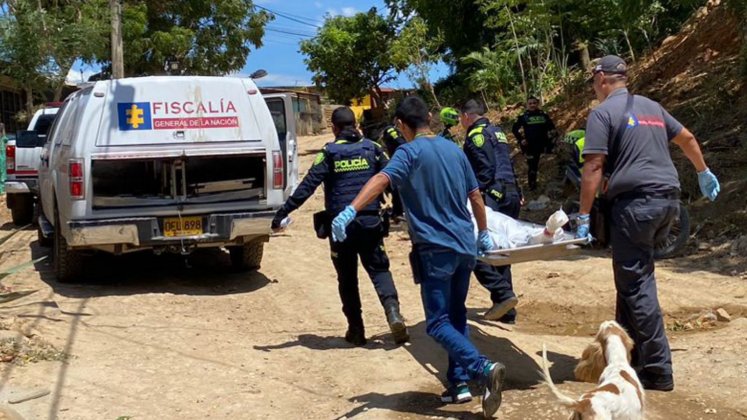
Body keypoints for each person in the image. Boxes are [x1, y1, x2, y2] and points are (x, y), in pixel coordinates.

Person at [330, 96, 506, 417]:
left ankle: (483, 367)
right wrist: (482, 232)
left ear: (400, 124)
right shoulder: (454, 149)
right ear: (429, 117)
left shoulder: (408, 152)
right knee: (456, 315)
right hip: (465, 246)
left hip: (434, 249)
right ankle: (460, 384)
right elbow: (476, 196)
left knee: (437, 323)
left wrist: (350, 209)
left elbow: (381, 178)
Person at [577, 55, 720, 392]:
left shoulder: (602, 113)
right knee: (632, 278)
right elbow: (687, 139)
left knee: (637, 285)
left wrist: (583, 215)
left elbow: (594, 166)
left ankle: (658, 369)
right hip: (669, 203)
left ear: (601, 78)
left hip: (635, 206)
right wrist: (703, 172)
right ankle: (626, 357)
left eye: (593, 82)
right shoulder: (652, 107)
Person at [271, 107, 409, 347]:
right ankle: (393, 313)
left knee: (347, 278)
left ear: (334, 128)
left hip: (340, 227)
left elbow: (307, 186)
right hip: (370, 222)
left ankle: (356, 331)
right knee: (379, 270)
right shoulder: (373, 149)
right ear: (355, 124)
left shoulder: (329, 152)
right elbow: (393, 179)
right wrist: (397, 210)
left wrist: (282, 213)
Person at [460, 99, 521, 324]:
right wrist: (518, 190)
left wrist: (477, 196)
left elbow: (484, 171)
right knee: (502, 250)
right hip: (511, 193)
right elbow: (508, 164)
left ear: (466, 116)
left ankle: (502, 295)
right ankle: (507, 308)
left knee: (476, 247)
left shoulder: (475, 136)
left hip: (493, 196)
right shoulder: (498, 132)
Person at [512, 96, 557, 191]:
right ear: (527, 105)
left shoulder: (543, 115)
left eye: (534, 103)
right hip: (531, 146)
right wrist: (521, 139)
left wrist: (553, 137)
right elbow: (514, 129)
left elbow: (552, 128)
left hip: (545, 145)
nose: (532, 105)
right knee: (532, 167)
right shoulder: (524, 116)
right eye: (530, 103)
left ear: (537, 104)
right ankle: (532, 187)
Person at [380, 125, 406, 221]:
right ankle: (397, 212)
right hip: (397, 161)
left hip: (398, 161)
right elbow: (400, 141)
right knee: (396, 188)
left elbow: (400, 142)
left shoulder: (391, 130)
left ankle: (398, 212)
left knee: (397, 188)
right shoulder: (392, 130)